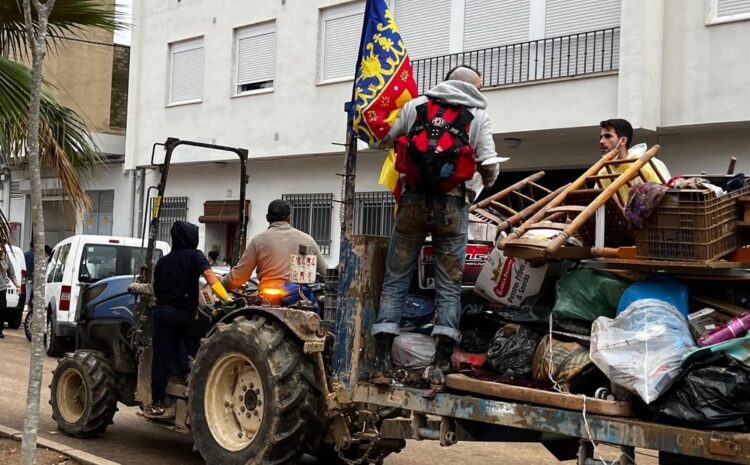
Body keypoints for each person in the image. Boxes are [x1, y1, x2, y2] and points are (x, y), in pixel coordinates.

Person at [370, 65, 501, 389]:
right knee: (448, 285)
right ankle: (441, 364)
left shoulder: (415, 106)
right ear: (472, 87)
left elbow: (383, 140)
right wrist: (472, 189)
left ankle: (382, 362)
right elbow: (490, 165)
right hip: (451, 207)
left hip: (412, 203)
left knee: (396, 279)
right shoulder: (477, 117)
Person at [147, 221, 230, 417]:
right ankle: (185, 373)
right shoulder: (196, 256)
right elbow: (209, 276)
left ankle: (158, 402)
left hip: (164, 313)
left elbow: (156, 288)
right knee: (179, 342)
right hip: (185, 315)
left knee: (161, 357)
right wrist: (226, 298)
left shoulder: (163, 261)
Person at [223, 199, 327, 293]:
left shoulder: (258, 241)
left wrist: (223, 283)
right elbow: (325, 272)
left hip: (267, 296)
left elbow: (239, 276)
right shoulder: (307, 239)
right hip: (300, 297)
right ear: (289, 218)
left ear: (267, 218)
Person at [598, 119, 670, 200]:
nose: (601, 141)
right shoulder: (603, 173)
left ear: (623, 141)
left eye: (608, 136)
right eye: (601, 137)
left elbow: (666, 197)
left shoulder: (647, 165)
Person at [0, 247, 21, 338]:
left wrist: (17, 286)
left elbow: (11, 273)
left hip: (1, 289)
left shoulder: (5, 257)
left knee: (1, 310)